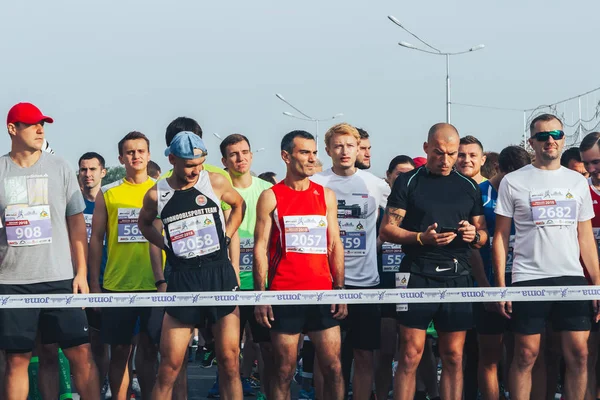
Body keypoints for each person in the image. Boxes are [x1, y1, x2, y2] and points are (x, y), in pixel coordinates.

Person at [493, 114, 600, 400]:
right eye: (542, 136)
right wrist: (503, 287)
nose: (549, 140)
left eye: (555, 134)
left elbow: (585, 238)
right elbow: (501, 236)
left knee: (579, 354)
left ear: (564, 139)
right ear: (532, 142)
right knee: (526, 355)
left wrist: (596, 285)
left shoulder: (577, 181)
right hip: (528, 277)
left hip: (572, 278)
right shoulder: (514, 181)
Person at [380, 122, 488, 400]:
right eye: (439, 153)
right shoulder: (409, 181)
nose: (446, 160)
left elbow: (483, 235)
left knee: (453, 355)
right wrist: (420, 238)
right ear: (426, 148)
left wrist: (473, 234)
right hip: (416, 273)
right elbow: (387, 229)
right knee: (410, 353)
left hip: (457, 275)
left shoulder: (468, 186)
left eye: (453, 154)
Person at [0, 102, 100, 399]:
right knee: (16, 360)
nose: (40, 129)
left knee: (80, 354)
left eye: (42, 123)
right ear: (12, 129)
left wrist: (81, 272)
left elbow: (77, 224)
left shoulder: (61, 167)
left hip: (59, 278)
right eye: (32, 124)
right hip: (13, 282)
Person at [137, 131, 245, 399]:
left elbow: (238, 204)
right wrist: (165, 245)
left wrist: (227, 236)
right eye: (189, 166)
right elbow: (144, 224)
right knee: (169, 367)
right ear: (172, 159)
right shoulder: (156, 194)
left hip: (218, 274)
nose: (195, 171)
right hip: (183, 278)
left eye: (199, 164)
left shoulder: (216, 181)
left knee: (230, 362)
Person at [253, 130, 347, 400]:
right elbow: (260, 247)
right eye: (304, 152)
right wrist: (261, 295)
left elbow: (335, 244)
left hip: (322, 293)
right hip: (285, 293)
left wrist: (339, 289)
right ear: (286, 156)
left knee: (334, 369)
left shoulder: (325, 195)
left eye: (314, 152)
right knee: (283, 371)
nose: (312, 158)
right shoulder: (271, 196)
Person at [311, 123, 390, 400]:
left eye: (350, 146)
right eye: (338, 146)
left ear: (359, 149)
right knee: (327, 357)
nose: (344, 152)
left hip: (366, 283)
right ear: (328, 150)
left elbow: (395, 220)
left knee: (363, 353)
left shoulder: (376, 185)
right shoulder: (317, 183)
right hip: (326, 282)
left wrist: (378, 240)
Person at [89, 131, 159, 400]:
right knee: (119, 351)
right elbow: (95, 240)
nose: (136, 156)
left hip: (155, 284)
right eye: (130, 152)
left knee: (151, 350)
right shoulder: (109, 192)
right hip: (117, 285)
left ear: (149, 155)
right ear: (121, 158)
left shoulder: (161, 189)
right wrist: (95, 285)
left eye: (141, 151)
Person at [471, 146, 531, 400]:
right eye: (512, 177)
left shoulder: (528, 189)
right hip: (488, 282)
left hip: (522, 280)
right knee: (490, 356)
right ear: (498, 169)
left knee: (525, 353)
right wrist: (486, 288)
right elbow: (472, 245)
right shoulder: (478, 193)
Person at [220, 133, 274, 399]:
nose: (240, 158)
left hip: (261, 283)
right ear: (224, 160)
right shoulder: (216, 189)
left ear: (251, 155)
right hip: (228, 283)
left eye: (244, 152)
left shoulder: (267, 189)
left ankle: (266, 393)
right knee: (228, 351)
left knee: (266, 347)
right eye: (233, 154)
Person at [375, 155, 415, 400]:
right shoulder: (379, 210)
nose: (404, 179)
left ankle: (423, 392)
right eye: (399, 174)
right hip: (385, 286)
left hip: (413, 284)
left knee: (415, 351)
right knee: (386, 350)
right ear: (389, 176)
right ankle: (380, 394)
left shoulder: (418, 208)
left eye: (409, 174)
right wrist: (386, 236)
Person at [78, 152, 110, 396]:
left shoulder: (109, 200)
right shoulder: (73, 203)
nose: (87, 174)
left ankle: (105, 384)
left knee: (107, 345)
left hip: (108, 280)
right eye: (83, 169)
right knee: (81, 345)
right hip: (79, 281)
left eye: (92, 169)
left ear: (103, 172)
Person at [577, 132, 600, 400]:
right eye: (587, 164)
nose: (592, 170)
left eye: (597, 162)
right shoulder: (579, 190)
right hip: (586, 287)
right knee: (586, 356)